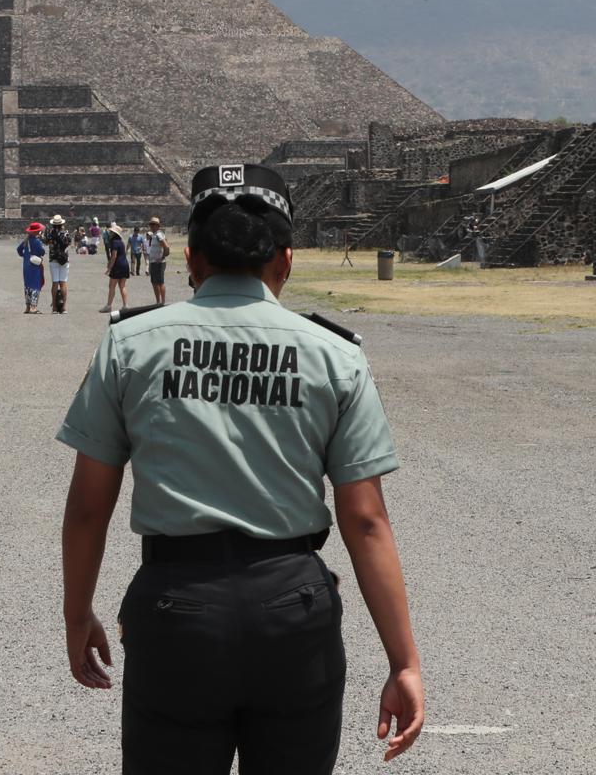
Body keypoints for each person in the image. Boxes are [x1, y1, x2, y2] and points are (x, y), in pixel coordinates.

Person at [56, 163, 424, 772]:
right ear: (284, 261)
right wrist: (403, 661)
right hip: (292, 610)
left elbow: (89, 505)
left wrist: (78, 615)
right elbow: (365, 521)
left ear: (191, 260)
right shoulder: (334, 355)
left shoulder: (130, 344)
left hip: (176, 610)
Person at [18, 222, 48, 313]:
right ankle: (33, 307)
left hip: (26, 265)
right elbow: (42, 252)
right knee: (36, 286)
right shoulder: (37, 241)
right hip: (34, 266)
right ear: (37, 231)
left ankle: (27, 307)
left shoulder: (26, 241)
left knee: (27, 286)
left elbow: (19, 250)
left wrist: (25, 256)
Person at [45, 214, 73, 313]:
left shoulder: (50, 233)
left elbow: (46, 242)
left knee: (55, 283)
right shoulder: (66, 233)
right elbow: (69, 243)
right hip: (64, 260)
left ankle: (54, 308)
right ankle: (64, 307)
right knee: (63, 283)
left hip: (53, 259)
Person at [101, 223, 131, 314]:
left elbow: (113, 256)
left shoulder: (114, 242)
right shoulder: (121, 242)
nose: (110, 233)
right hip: (124, 264)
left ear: (114, 233)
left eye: (111, 232)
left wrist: (109, 268)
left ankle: (109, 306)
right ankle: (125, 305)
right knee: (122, 286)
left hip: (117, 265)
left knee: (112, 286)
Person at [145, 216, 170, 306]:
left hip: (158, 262)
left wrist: (163, 256)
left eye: (154, 224)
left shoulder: (159, 235)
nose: (151, 226)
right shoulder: (154, 235)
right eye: (151, 224)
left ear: (157, 226)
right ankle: (158, 301)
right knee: (154, 282)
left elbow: (166, 246)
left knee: (159, 282)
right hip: (153, 262)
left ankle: (162, 302)